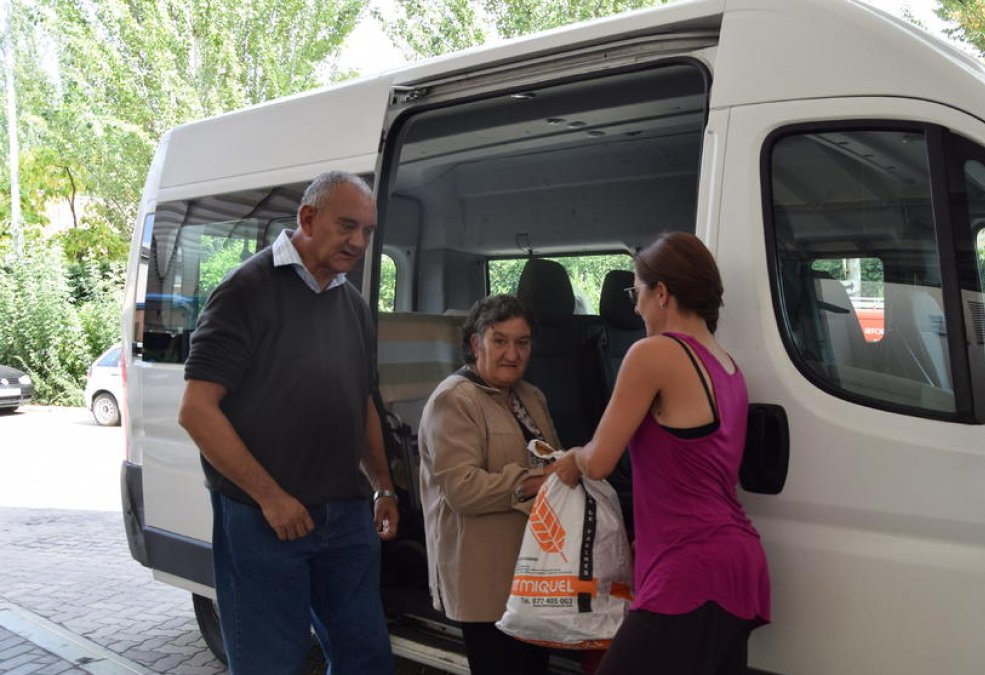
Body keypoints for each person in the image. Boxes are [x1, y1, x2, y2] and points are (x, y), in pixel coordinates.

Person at [178, 171, 397, 674]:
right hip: (265, 521)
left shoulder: (354, 306)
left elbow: (361, 399)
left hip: (344, 514)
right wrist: (272, 499)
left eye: (367, 230)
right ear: (307, 218)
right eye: (348, 226)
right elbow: (196, 411)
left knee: (367, 659)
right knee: (269, 664)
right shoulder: (245, 290)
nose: (359, 242)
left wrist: (383, 485)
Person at [553, 232, 771, 675]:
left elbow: (598, 461)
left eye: (637, 292)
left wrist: (570, 458)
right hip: (739, 564)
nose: (635, 307)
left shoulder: (652, 354)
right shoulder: (727, 365)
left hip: (690, 569)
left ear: (663, 293)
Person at [418, 294, 560, 675]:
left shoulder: (531, 395)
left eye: (522, 342)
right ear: (474, 343)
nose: (512, 353)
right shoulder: (454, 399)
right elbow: (463, 489)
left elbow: (550, 460)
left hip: (532, 571)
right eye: (500, 340)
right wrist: (536, 481)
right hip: (486, 578)